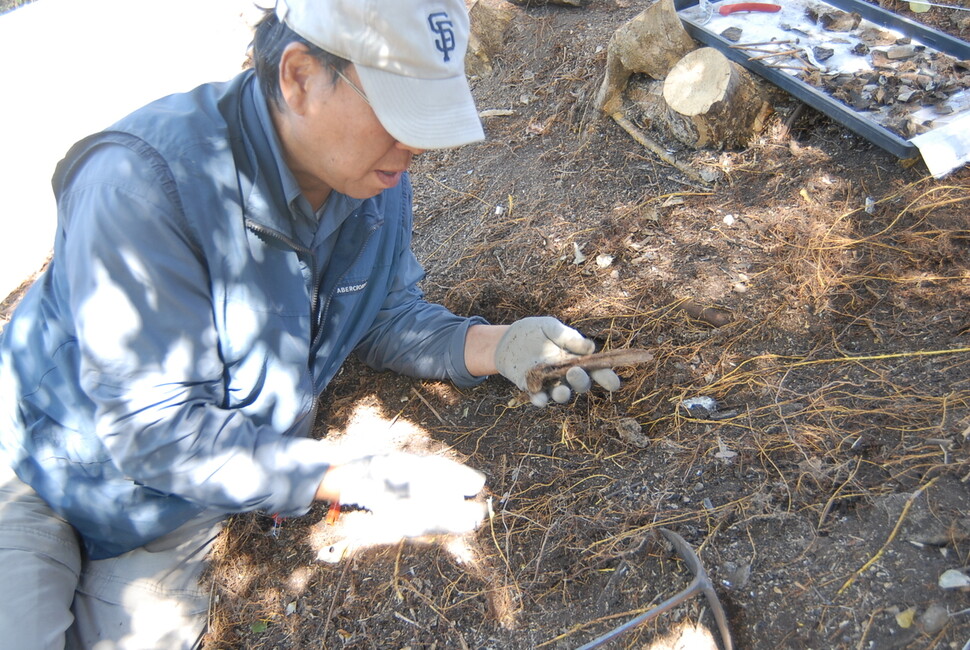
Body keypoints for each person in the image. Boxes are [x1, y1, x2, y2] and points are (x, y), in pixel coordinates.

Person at [0, 0, 621, 647]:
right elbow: (153, 431)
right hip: (37, 464)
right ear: (299, 77)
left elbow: (379, 312)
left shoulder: (372, 176)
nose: (417, 144)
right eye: (396, 107)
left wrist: (502, 345)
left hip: (171, 513)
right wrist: (352, 478)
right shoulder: (142, 188)